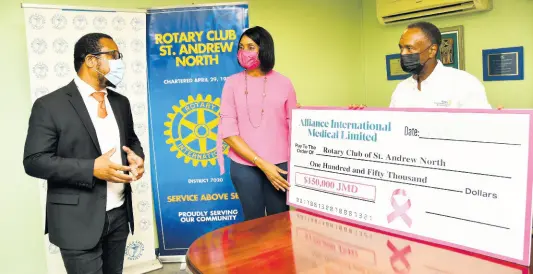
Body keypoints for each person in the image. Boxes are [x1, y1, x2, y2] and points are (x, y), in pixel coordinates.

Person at [23, 33, 145, 274]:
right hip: (76, 220)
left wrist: (138, 157)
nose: (119, 61)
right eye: (114, 55)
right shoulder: (49, 105)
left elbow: (131, 140)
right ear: (91, 60)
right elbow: (34, 161)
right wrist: (90, 169)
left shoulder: (121, 102)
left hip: (119, 215)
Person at [216, 26, 297, 221]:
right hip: (244, 165)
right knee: (253, 224)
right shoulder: (231, 83)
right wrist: (261, 163)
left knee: (279, 222)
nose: (244, 52)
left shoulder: (285, 83)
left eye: (251, 47)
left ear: (264, 48)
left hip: (280, 165)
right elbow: (228, 131)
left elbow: (296, 125)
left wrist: (352, 113)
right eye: (241, 47)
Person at [389, 21, 491, 109]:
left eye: (409, 48)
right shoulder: (401, 89)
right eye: (401, 48)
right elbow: (392, 125)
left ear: (432, 50)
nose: (403, 53)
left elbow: (482, 125)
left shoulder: (464, 83)